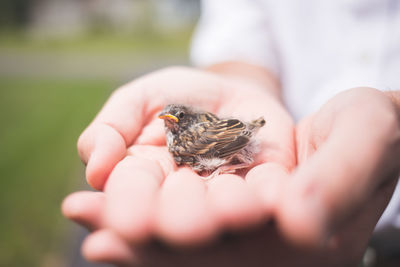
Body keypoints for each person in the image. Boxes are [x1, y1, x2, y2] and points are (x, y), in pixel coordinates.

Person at [62, 1, 400, 266]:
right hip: (280, 152)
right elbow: (238, 40)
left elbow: (215, 143)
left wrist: (393, 107)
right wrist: (241, 85)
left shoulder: (183, 141)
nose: (168, 120)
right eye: (168, 117)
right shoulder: (184, 132)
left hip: (294, 158)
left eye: (174, 116)